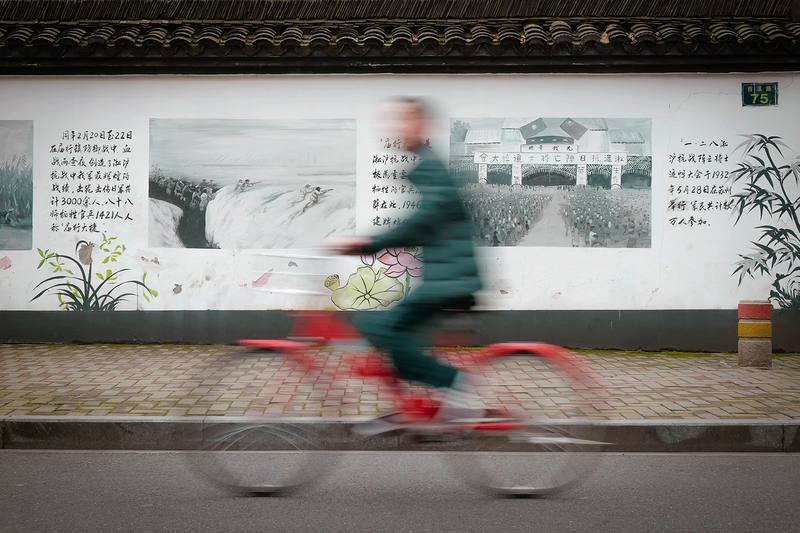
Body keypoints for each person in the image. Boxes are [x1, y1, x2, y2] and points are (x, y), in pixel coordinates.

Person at [325, 97, 486, 435]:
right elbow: (427, 223)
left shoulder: (431, 166)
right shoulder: (426, 165)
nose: (396, 127)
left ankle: (457, 383)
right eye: (393, 120)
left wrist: (368, 243)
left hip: (450, 281)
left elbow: (424, 221)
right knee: (378, 324)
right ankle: (407, 406)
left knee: (381, 326)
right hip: (446, 276)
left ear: (421, 126)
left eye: (404, 119)